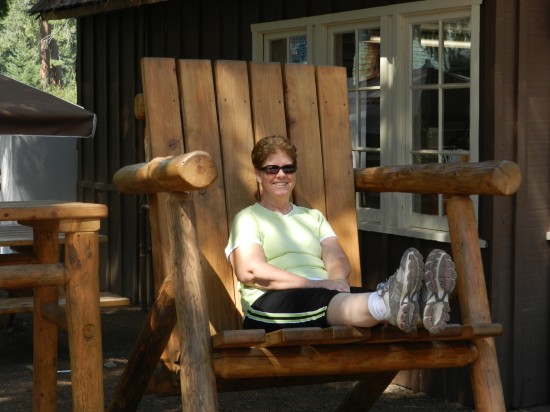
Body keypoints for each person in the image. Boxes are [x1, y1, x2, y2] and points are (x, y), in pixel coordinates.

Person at [225, 135, 456, 334]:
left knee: (364, 295)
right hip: (268, 305)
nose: (281, 174)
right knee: (332, 300)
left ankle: (420, 304)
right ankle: (402, 302)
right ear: (258, 175)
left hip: (323, 295)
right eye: (272, 169)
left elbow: (336, 258)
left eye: (288, 168)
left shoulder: (312, 217)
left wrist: (335, 281)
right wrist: (315, 284)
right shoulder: (248, 218)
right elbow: (251, 271)